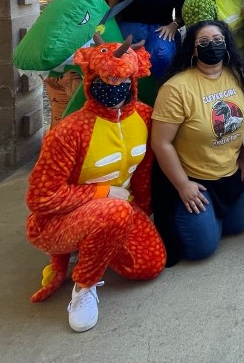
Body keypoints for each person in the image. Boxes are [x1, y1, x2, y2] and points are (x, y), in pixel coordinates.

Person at [25, 36, 165, 332]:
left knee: (149, 264)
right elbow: (40, 198)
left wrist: (142, 209)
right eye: (105, 79)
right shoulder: (69, 131)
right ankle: (84, 286)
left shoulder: (144, 116)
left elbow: (143, 173)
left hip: (120, 209)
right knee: (115, 211)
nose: (114, 87)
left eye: (121, 80)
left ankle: (94, 243)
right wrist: (104, 192)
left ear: (133, 79)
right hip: (58, 221)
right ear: (90, 78)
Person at [150, 20, 244, 263]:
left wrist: (243, 157)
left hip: (230, 173)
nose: (212, 46)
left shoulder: (237, 75)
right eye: (204, 42)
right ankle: (194, 214)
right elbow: (161, 143)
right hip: (195, 179)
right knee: (202, 249)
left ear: (227, 44)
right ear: (193, 49)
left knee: (239, 225)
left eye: (218, 40)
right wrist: (183, 185)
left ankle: (209, 217)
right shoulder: (176, 88)